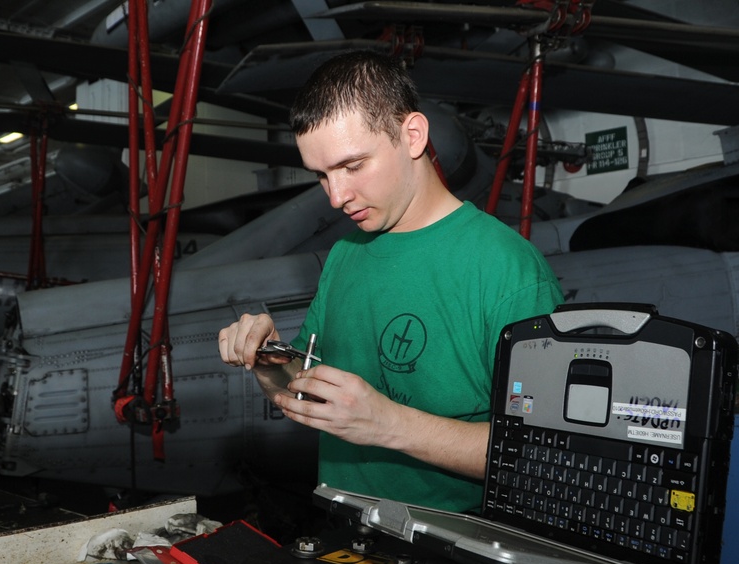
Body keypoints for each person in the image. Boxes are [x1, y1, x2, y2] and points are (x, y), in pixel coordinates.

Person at [217, 50, 564, 513]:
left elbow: (543, 455)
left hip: (456, 562)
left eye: (353, 166)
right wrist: (267, 359)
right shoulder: (344, 257)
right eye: (322, 175)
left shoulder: (508, 270)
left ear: (413, 135)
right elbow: (303, 392)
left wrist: (387, 424)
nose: (337, 197)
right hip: (345, 539)